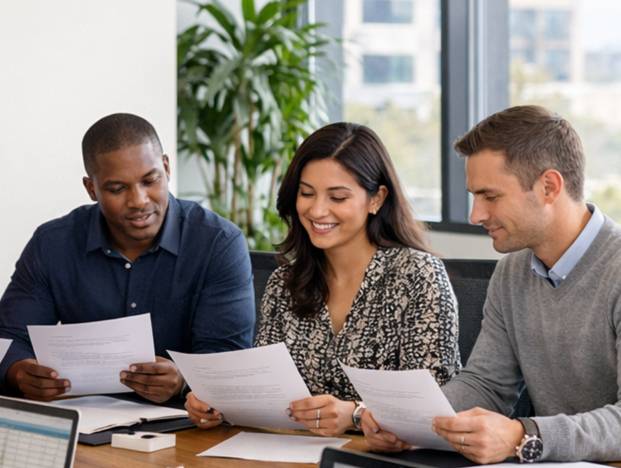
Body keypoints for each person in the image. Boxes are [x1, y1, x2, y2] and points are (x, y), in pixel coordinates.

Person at [364, 105, 621, 468]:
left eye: (490, 196)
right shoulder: (513, 272)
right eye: (474, 197)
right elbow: (487, 385)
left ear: (549, 186)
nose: (476, 215)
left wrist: (524, 435)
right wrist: (412, 424)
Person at [185, 123, 460, 436]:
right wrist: (218, 405)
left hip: (388, 465)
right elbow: (265, 394)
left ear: (377, 199)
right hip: (292, 462)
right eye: (307, 194)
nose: (317, 210)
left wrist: (355, 414)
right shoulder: (283, 283)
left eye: (337, 198)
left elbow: (435, 404)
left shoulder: (419, 276)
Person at [0, 113, 255, 403]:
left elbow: (228, 355)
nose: (139, 201)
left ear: (166, 168)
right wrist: (21, 373)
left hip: (185, 424)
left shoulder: (217, 243)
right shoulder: (53, 244)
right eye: (117, 189)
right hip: (85, 420)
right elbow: (10, 338)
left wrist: (182, 380)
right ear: (91, 188)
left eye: (150, 180)